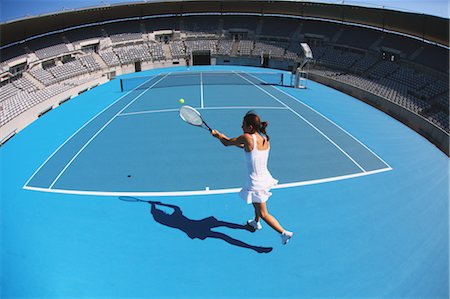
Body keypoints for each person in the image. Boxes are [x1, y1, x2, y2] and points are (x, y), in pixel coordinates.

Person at [211, 111, 294, 245]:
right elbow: (245, 147)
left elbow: (227, 143)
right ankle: (256, 222)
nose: (241, 127)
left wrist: (218, 136)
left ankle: (283, 233)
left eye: (243, 124)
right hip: (265, 177)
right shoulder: (264, 138)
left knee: (264, 213)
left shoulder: (247, 137)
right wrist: (222, 136)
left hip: (256, 183)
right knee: (257, 203)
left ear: (250, 127)